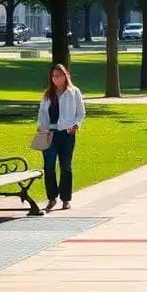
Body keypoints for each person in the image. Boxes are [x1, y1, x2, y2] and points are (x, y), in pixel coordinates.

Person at [37, 64, 86, 211]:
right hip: (49, 134)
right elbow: (42, 114)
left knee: (66, 167)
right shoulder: (48, 94)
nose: (55, 79)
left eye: (58, 76)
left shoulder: (74, 92)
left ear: (65, 76)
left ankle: (66, 199)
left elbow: (81, 113)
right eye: (53, 76)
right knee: (49, 166)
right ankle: (52, 198)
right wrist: (40, 127)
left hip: (66, 134)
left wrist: (76, 125)